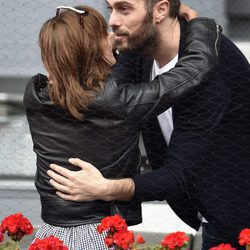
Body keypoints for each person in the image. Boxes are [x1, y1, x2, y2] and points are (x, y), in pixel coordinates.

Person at [47, 0, 250, 249]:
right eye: (110, 9)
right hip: (210, 209)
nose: (112, 21)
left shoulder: (209, 75)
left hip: (236, 220)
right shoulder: (141, 49)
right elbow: (110, 98)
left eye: (124, 9)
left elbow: (177, 176)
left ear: (160, 10)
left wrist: (105, 188)